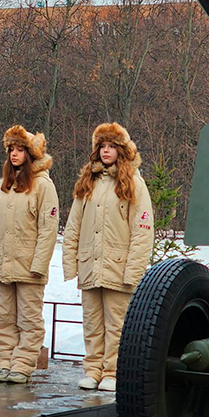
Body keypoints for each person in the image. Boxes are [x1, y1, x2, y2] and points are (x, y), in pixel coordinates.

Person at [63, 123, 155, 392]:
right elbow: (73, 227)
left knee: (117, 325)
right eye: (102, 146)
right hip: (91, 266)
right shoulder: (88, 182)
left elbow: (142, 231)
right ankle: (92, 369)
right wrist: (72, 264)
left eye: (111, 146)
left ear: (121, 150)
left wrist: (133, 271)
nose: (105, 151)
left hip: (118, 267)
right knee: (92, 323)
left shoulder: (134, 183)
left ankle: (113, 372)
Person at [0, 125, 60, 384]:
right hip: (3, 265)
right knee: (3, 318)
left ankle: (23, 365)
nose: (14, 155)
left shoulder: (43, 186)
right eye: (11, 149)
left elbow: (49, 230)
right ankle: (3, 363)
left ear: (30, 153)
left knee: (29, 319)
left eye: (20, 150)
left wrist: (38, 264)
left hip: (28, 268)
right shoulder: (0, 187)